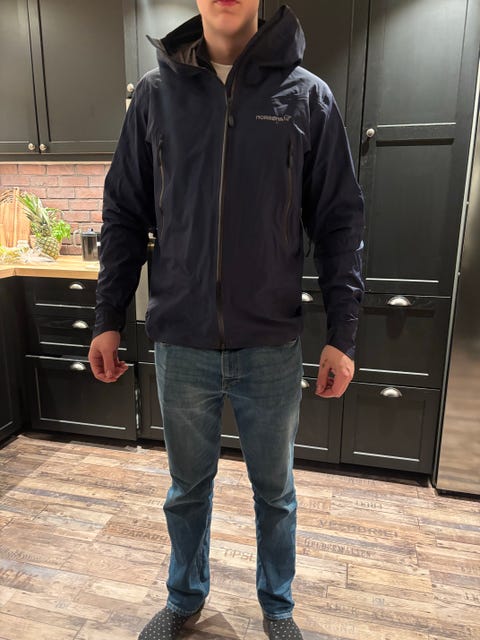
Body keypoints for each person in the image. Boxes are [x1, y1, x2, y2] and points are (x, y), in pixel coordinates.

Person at [88, 1, 365, 638]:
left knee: (276, 492)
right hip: (181, 341)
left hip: (270, 342)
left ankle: (278, 608)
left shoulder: (307, 97)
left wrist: (343, 335)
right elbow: (124, 214)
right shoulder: (154, 97)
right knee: (186, 490)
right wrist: (108, 316)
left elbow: (340, 224)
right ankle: (184, 598)